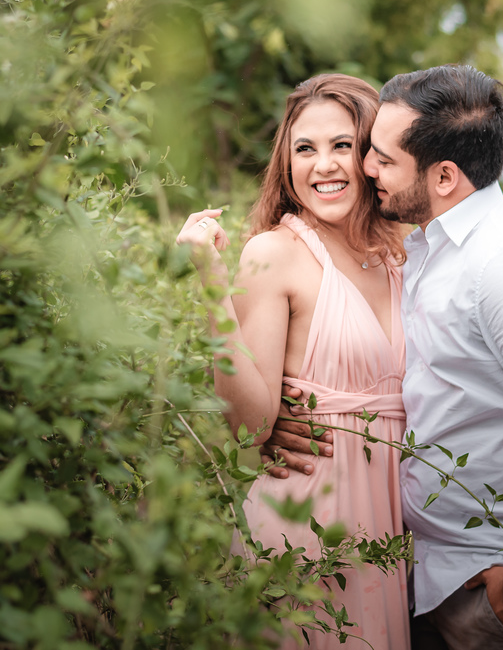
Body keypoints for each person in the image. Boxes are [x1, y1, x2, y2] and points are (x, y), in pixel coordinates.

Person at [264, 65, 503, 650]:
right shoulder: (428, 246)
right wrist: (284, 408)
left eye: (380, 157)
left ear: (446, 175)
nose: (365, 168)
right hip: (438, 573)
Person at [175, 73, 411, 649]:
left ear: (373, 156)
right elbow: (250, 428)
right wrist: (211, 282)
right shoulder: (274, 253)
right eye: (305, 148)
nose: (323, 165)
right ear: (286, 163)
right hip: (306, 513)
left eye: (342, 146)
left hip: (394, 522)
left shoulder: (405, 251)